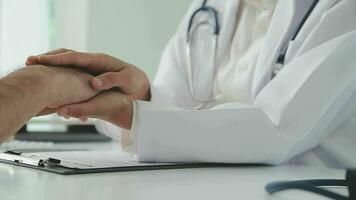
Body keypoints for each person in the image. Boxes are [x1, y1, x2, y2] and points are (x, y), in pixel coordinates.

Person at [20, 0, 356, 167]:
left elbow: (276, 129)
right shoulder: (208, 7)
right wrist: (140, 96)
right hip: (206, 181)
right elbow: (176, 106)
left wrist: (134, 114)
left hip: (301, 185)